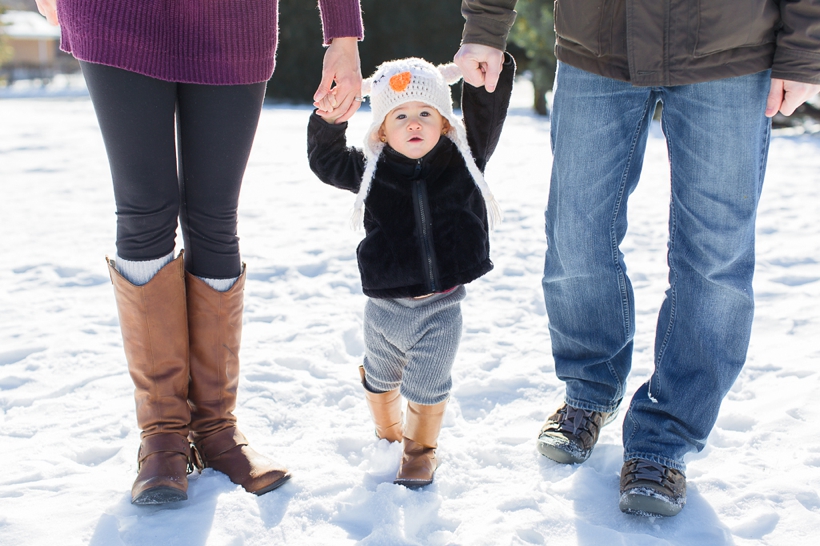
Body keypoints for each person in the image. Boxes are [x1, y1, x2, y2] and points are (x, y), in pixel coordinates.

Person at [454, 0, 820, 517]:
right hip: (598, 41)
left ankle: (665, 437)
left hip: (731, 49)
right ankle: (590, 388)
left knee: (714, 261)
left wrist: (805, 46)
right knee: (575, 235)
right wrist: (487, 24)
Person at [34, 0, 365, 505]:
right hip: (116, 13)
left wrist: (343, 33)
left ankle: (216, 430)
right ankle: (162, 436)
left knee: (215, 217)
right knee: (144, 213)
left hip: (233, 18)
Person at [307, 54, 514, 487]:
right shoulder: (370, 167)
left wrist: (487, 65)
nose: (414, 123)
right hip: (384, 308)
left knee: (429, 381)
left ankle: (420, 451)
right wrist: (328, 120)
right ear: (382, 128)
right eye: (400, 115)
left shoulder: (463, 159)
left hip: (441, 308)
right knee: (381, 377)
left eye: (425, 113)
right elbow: (326, 164)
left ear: (444, 121)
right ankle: (388, 433)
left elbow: (486, 112)